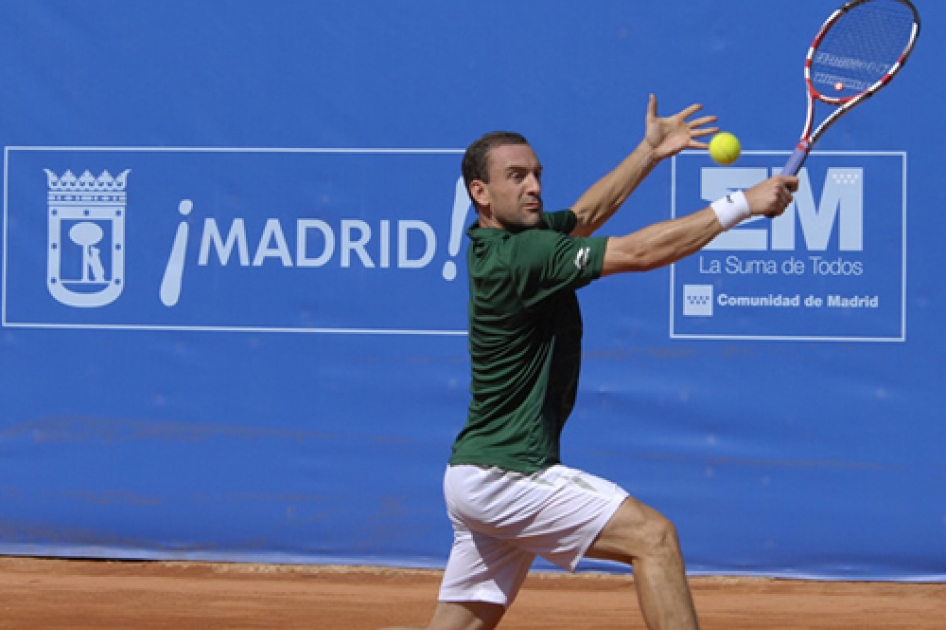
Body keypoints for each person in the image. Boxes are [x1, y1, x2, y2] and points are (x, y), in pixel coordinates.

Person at [384, 95, 799, 630]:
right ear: (480, 193)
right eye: (516, 177)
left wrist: (648, 153)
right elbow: (639, 253)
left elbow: (586, 215)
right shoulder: (522, 256)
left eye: (536, 174)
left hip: (476, 476)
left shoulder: (510, 242)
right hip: (508, 474)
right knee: (654, 538)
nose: (533, 185)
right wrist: (739, 204)